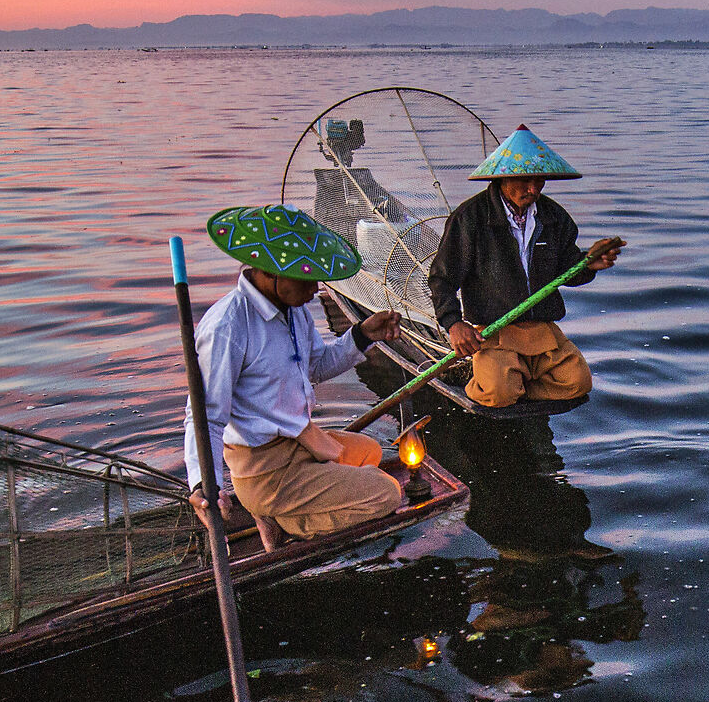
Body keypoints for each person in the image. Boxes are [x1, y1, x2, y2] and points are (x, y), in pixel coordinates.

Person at [185, 204, 406, 540]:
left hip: (300, 442)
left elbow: (316, 366)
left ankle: (284, 508)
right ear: (270, 272)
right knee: (387, 493)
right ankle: (283, 521)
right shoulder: (228, 325)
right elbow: (205, 417)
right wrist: (205, 484)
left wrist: (362, 335)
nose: (314, 288)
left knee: (370, 452)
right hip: (266, 472)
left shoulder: (293, 310)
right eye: (305, 277)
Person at [427, 124, 624, 408]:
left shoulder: (553, 217)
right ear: (503, 178)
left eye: (539, 181)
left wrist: (589, 264)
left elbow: (566, 269)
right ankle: (486, 380)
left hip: (541, 329)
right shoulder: (470, 218)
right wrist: (454, 323)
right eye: (524, 181)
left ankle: (516, 383)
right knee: (497, 394)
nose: (533, 190)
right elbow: (442, 279)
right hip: (495, 329)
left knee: (577, 384)